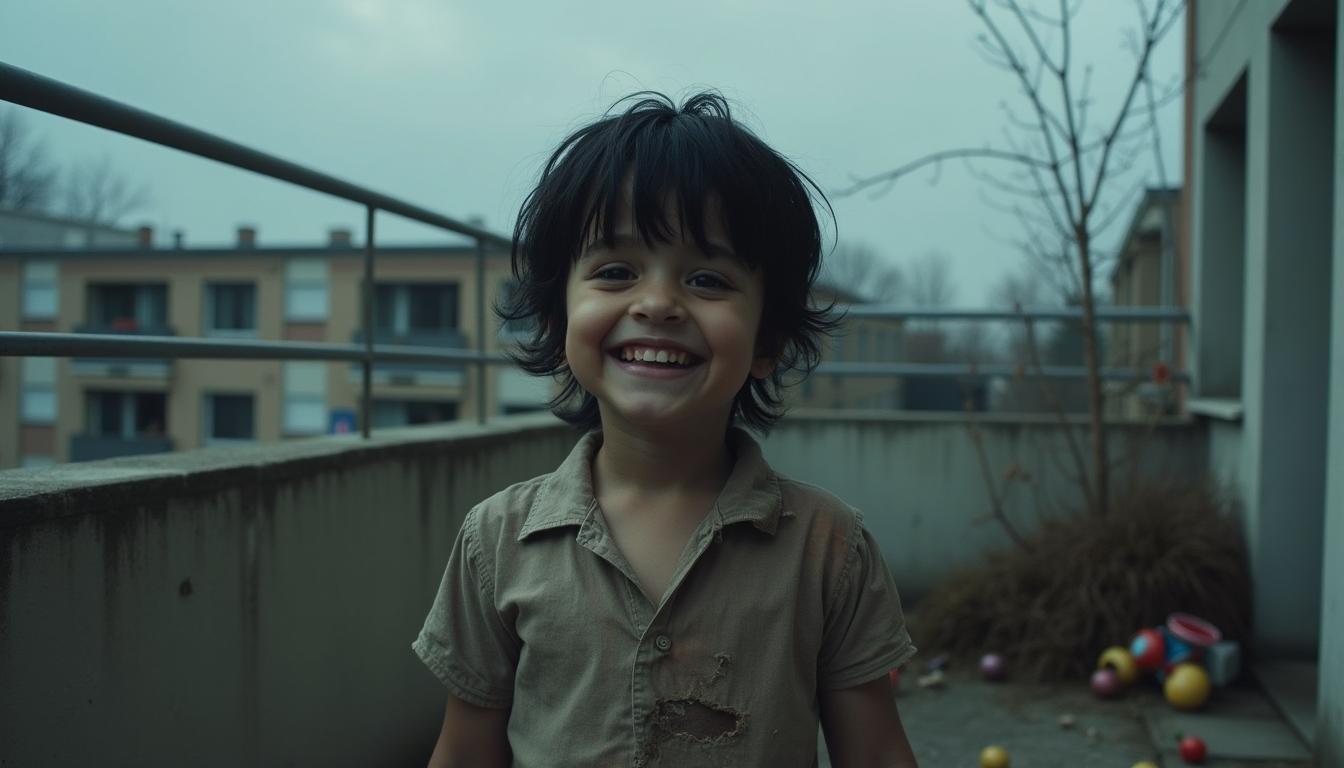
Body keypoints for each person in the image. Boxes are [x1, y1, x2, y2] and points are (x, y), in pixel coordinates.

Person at [413, 91, 918, 767]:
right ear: (560, 320)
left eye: (708, 278)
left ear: (766, 339)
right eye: (616, 272)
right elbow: (465, 750)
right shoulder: (496, 542)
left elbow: (878, 754)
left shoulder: (830, 550)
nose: (656, 304)